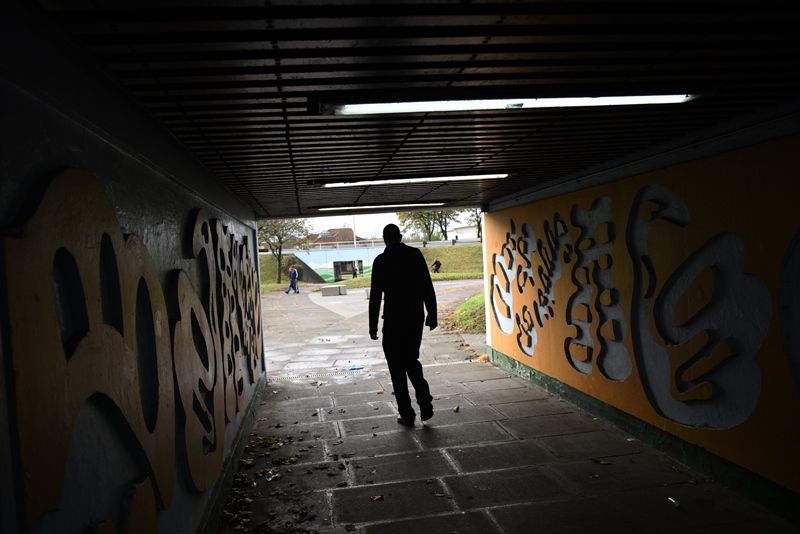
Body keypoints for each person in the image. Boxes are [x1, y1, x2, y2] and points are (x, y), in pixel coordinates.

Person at [369, 224, 437, 427]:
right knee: (411, 360)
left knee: (396, 368)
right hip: (414, 319)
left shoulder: (381, 261)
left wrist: (373, 326)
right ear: (399, 237)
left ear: (384, 239)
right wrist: (431, 315)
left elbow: (376, 296)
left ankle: (407, 414)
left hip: (393, 321)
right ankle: (425, 402)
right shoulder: (415, 255)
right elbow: (427, 286)